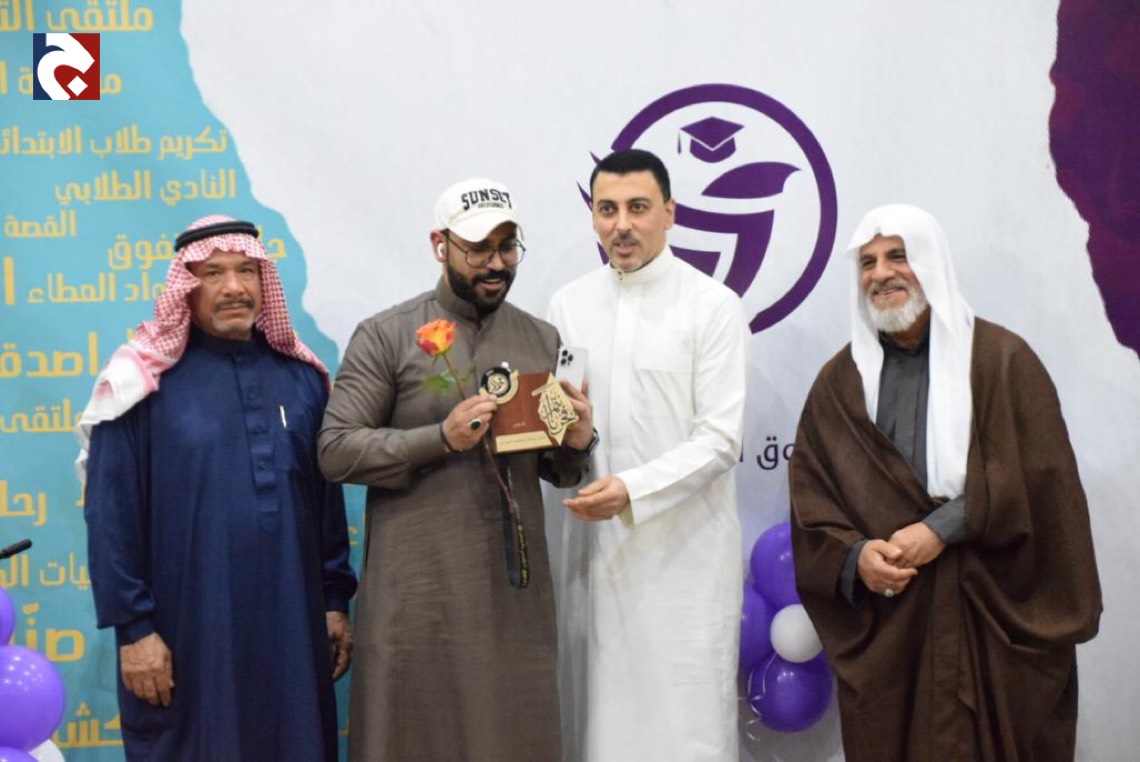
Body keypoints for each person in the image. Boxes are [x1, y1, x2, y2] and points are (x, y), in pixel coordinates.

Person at [789, 204, 1102, 761]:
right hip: (893, 635)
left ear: (932, 262)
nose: (881, 274)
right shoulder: (840, 384)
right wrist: (856, 557)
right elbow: (813, 504)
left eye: (898, 256)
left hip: (992, 620)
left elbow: (1043, 486)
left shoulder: (1003, 362)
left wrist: (942, 529)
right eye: (867, 262)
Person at [317, 178, 596, 761]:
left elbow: (560, 469)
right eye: (479, 249)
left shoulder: (539, 338)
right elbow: (337, 450)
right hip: (417, 597)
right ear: (439, 245)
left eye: (507, 247)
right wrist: (439, 439)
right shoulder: (388, 336)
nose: (495, 264)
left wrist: (578, 441)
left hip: (512, 599)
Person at [77, 215, 357, 760]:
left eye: (247, 271)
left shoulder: (302, 380)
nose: (234, 287)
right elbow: (111, 518)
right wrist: (134, 631)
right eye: (213, 273)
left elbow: (325, 505)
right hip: (186, 635)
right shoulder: (138, 383)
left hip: (292, 628)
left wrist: (333, 601)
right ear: (186, 285)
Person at [547, 149, 748, 761]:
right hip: (595, 556)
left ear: (670, 213)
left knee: (687, 729)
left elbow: (721, 439)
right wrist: (572, 434)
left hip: (686, 561)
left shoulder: (712, 306)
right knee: (601, 728)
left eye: (638, 208)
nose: (622, 225)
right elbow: (559, 423)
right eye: (607, 210)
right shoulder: (568, 306)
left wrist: (631, 489)